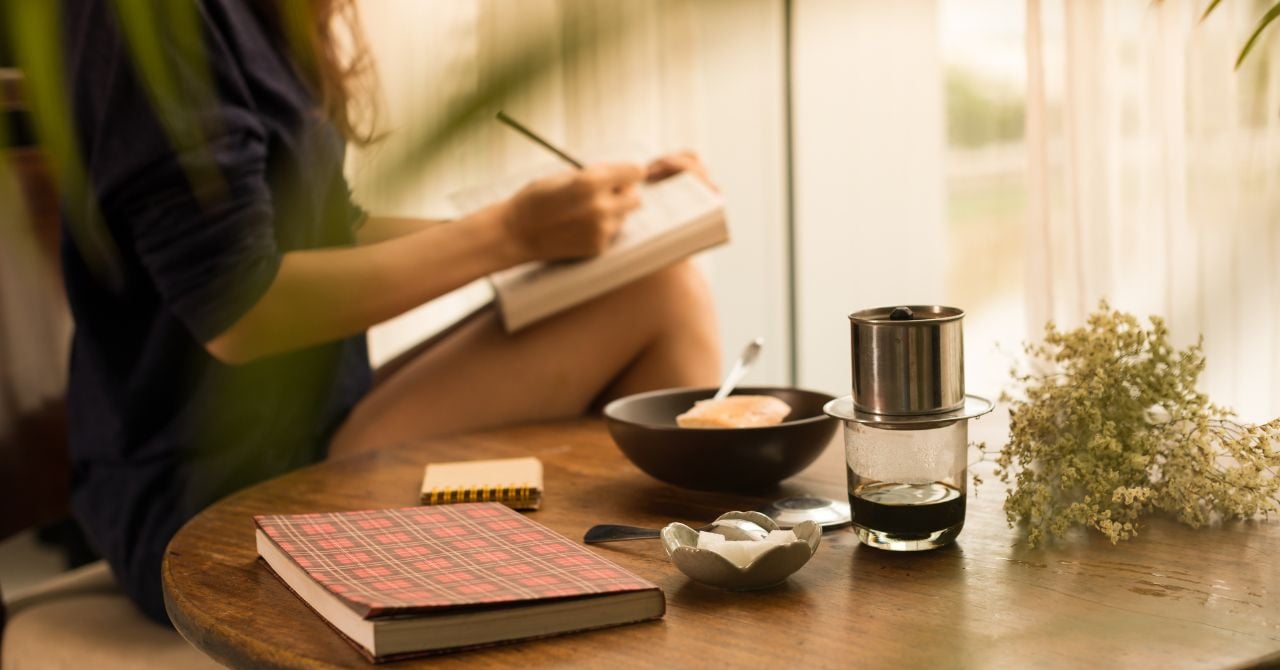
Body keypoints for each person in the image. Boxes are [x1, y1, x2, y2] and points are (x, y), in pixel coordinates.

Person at [58, 0, 720, 623]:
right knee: (663, 298)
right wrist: (510, 235)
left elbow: (327, 230)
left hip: (312, 425)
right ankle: (688, 591)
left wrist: (586, 224)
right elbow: (240, 307)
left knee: (654, 285)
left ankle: (672, 581)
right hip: (209, 494)